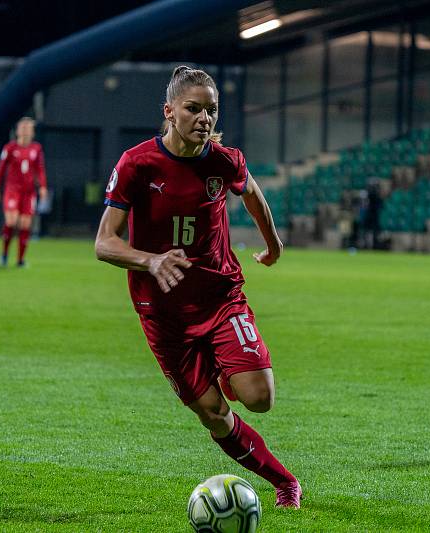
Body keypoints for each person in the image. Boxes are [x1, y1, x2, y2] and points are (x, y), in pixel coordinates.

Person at [94, 66, 301, 508]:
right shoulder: (137, 164)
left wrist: (273, 244)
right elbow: (104, 243)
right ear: (169, 111)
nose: (204, 118)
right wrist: (150, 260)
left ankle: (228, 370)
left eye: (211, 110)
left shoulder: (223, 161)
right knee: (214, 416)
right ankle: (285, 482)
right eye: (193, 109)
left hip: (221, 299)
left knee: (259, 398)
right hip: (163, 315)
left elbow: (253, 195)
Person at [0, 117, 48, 267]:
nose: (25, 131)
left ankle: (20, 260)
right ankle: (4, 254)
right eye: (23, 128)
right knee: (11, 221)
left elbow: (40, 170)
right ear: (17, 131)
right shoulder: (9, 148)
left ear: (32, 132)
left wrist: (42, 187)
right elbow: (1, 170)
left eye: (28, 128)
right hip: (12, 190)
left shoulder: (36, 149)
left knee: (25, 224)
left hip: (29, 193)